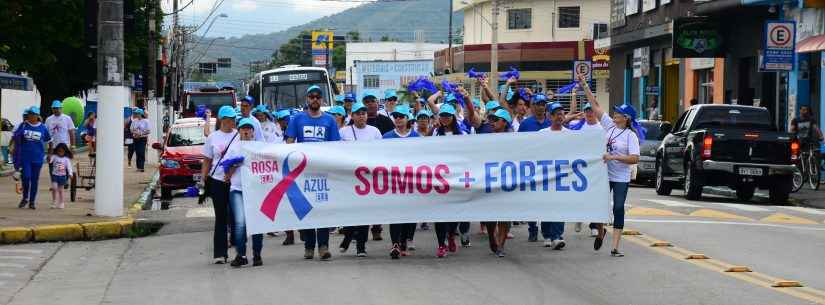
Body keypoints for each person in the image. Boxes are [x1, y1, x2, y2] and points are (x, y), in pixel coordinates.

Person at [581, 75, 640, 257]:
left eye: (618, 113)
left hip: (620, 177)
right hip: (604, 174)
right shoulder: (609, 126)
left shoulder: (631, 136)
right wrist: (584, 85)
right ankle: (600, 231)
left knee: (618, 208)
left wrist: (614, 157)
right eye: (614, 112)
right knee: (599, 205)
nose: (614, 114)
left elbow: (634, 158)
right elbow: (596, 105)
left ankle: (615, 246)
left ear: (626, 118)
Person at [285, 85, 341, 260]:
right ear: (307, 99)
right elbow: (289, 142)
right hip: (303, 173)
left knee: (322, 209)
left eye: (318, 96)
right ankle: (309, 246)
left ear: (322, 100)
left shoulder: (330, 120)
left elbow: (336, 147)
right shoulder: (297, 119)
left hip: (323, 172)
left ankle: (323, 247)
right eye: (311, 96)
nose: (315, 99)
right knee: (307, 209)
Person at [338, 101, 383, 257]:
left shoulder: (375, 131)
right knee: (351, 212)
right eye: (358, 113)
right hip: (349, 178)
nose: (362, 116)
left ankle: (361, 247)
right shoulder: (343, 132)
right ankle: (348, 236)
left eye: (364, 113)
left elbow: (382, 153)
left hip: (368, 178)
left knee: (365, 212)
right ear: (353, 116)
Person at [224, 117, 265, 267]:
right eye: (243, 128)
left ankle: (257, 254)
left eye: (249, 128)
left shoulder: (260, 148)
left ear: (253, 131)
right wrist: (234, 163)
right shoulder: (233, 148)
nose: (246, 131)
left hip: (256, 190)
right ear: (239, 131)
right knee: (240, 222)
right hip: (237, 190)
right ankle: (241, 254)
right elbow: (226, 172)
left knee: (257, 222)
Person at [381, 105, 420, 259]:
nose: (398, 119)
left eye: (401, 116)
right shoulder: (387, 137)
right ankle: (395, 244)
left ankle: (404, 242)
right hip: (394, 182)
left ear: (407, 119)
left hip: (411, 182)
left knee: (409, 215)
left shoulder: (416, 137)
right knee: (395, 213)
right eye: (396, 116)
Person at [430, 103, 469, 258]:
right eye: (442, 115)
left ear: (453, 117)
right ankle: (441, 244)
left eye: (448, 115)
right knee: (438, 214)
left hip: (457, 179)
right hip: (439, 179)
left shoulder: (463, 135)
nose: (445, 118)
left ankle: (451, 234)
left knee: (454, 213)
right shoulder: (435, 134)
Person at [202, 106, 239, 264]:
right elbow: (207, 160)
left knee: (237, 216)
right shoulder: (212, 137)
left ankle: (240, 252)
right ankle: (220, 253)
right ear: (222, 120)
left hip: (235, 182)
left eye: (233, 119)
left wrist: (231, 171)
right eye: (229, 119)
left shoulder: (238, 135)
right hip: (217, 181)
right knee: (221, 217)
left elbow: (243, 157)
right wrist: (203, 179)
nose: (232, 122)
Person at [538, 102, 574, 250]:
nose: (560, 116)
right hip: (546, 176)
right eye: (556, 114)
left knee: (560, 205)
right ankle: (547, 234)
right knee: (547, 205)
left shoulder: (570, 135)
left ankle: (557, 236)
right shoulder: (542, 134)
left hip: (562, 176)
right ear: (550, 116)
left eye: (561, 113)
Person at [516, 93, 552, 242]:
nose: (541, 107)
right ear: (533, 106)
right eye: (538, 104)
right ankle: (532, 228)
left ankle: (545, 228)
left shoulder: (550, 123)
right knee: (531, 199)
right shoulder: (526, 124)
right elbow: (519, 144)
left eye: (543, 104)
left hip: (547, 167)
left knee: (546, 199)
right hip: (530, 166)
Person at [362, 90, 393, 240]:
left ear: (377, 103)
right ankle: (362, 229)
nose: (370, 104)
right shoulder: (358, 120)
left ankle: (377, 227)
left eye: (372, 101)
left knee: (379, 199)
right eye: (366, 102)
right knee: (364, 200)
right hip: (361, 166)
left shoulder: (386, 121)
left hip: (381, 166)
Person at [13, 106, 51, 209]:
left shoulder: (43, 127)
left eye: (32, 114)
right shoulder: (24, 125)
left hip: (38, 158)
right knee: (26, 177)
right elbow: (16, 138)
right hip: (25, 157)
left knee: (34, 180)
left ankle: (32, 201)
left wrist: (50, 154)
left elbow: (49, 141)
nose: (30, 116)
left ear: (37, 116)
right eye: (29, 114)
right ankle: (25, 198)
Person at [49, 143, 73, 209]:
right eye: (59, 151)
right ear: (56, 151)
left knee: (61, 190)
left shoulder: (66, 159)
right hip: (55, 175)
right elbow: (49, 161)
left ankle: (61, 202)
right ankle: (54, 201)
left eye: (62, 152)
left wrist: (70, 174)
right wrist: (49, 156)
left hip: (62, 176)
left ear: (65, 152)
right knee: (54, 188)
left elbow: (69, 167)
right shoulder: (54, 157)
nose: (60, 153)